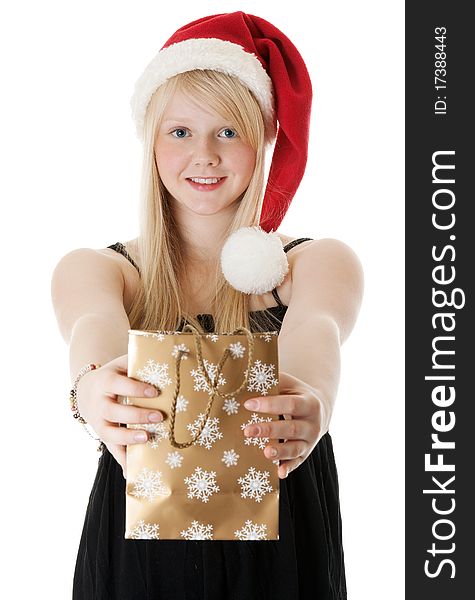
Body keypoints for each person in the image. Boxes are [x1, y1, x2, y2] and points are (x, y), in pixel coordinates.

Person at [51, 11, 363, 600]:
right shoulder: (102, 269)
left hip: (284, 538)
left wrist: (312, 399)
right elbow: (92, 329)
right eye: (180, 132)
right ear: (151, 140)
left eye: (228, 131)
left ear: (264, 137)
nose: (205, 155)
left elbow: (316, 333)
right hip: (140, 550)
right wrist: (90, 389)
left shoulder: (315, 262)